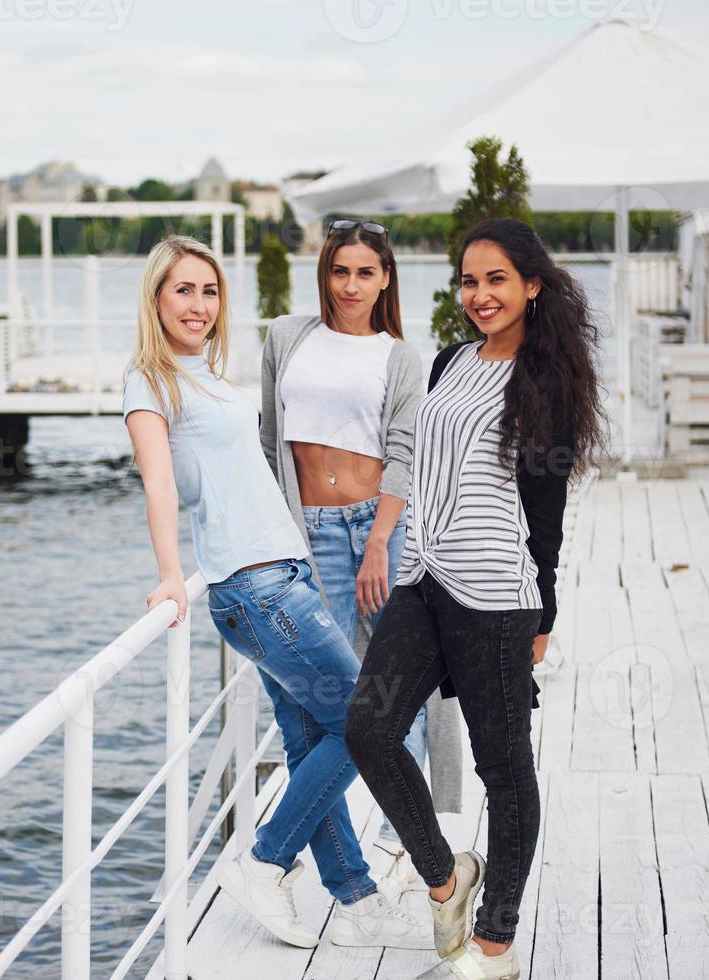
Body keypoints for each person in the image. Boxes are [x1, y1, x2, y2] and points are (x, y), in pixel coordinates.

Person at [123, 235, 423, 950]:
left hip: (282, 574)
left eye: (209, 291)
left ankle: (352, 894)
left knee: (313, 737)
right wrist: (170, 572)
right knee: (369, 723)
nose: (198, 305)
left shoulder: (206, 374)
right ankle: (265, 860)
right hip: (256, 586)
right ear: (155, 300)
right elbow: (160, 484)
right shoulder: (149, 380)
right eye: (182, 291)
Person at [346, 218, 605, 980]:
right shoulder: (450, 362)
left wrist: (544, 614)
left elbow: (546, 508)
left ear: (531, 285)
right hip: (422, 580)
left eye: (496, 279)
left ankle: (496, 943)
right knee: (369, 727)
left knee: (503, 766)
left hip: (496, 597)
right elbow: (425, 465)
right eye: (468, 280)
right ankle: (446, 877)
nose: (480, 294)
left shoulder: (544, 378)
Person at [259, 218, 463, 862]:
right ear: (324, 273)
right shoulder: (287, 337)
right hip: (308, 531)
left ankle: (400, 834)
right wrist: (278, 534)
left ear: (385, 279)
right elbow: (271, 442)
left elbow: (403, 454)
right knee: (321, 692)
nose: (351, 285)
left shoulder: (400, 357)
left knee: (407, 680)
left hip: (380, 527)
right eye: (340, 271)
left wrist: (379, 542)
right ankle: (330, 839)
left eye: (365, 272)